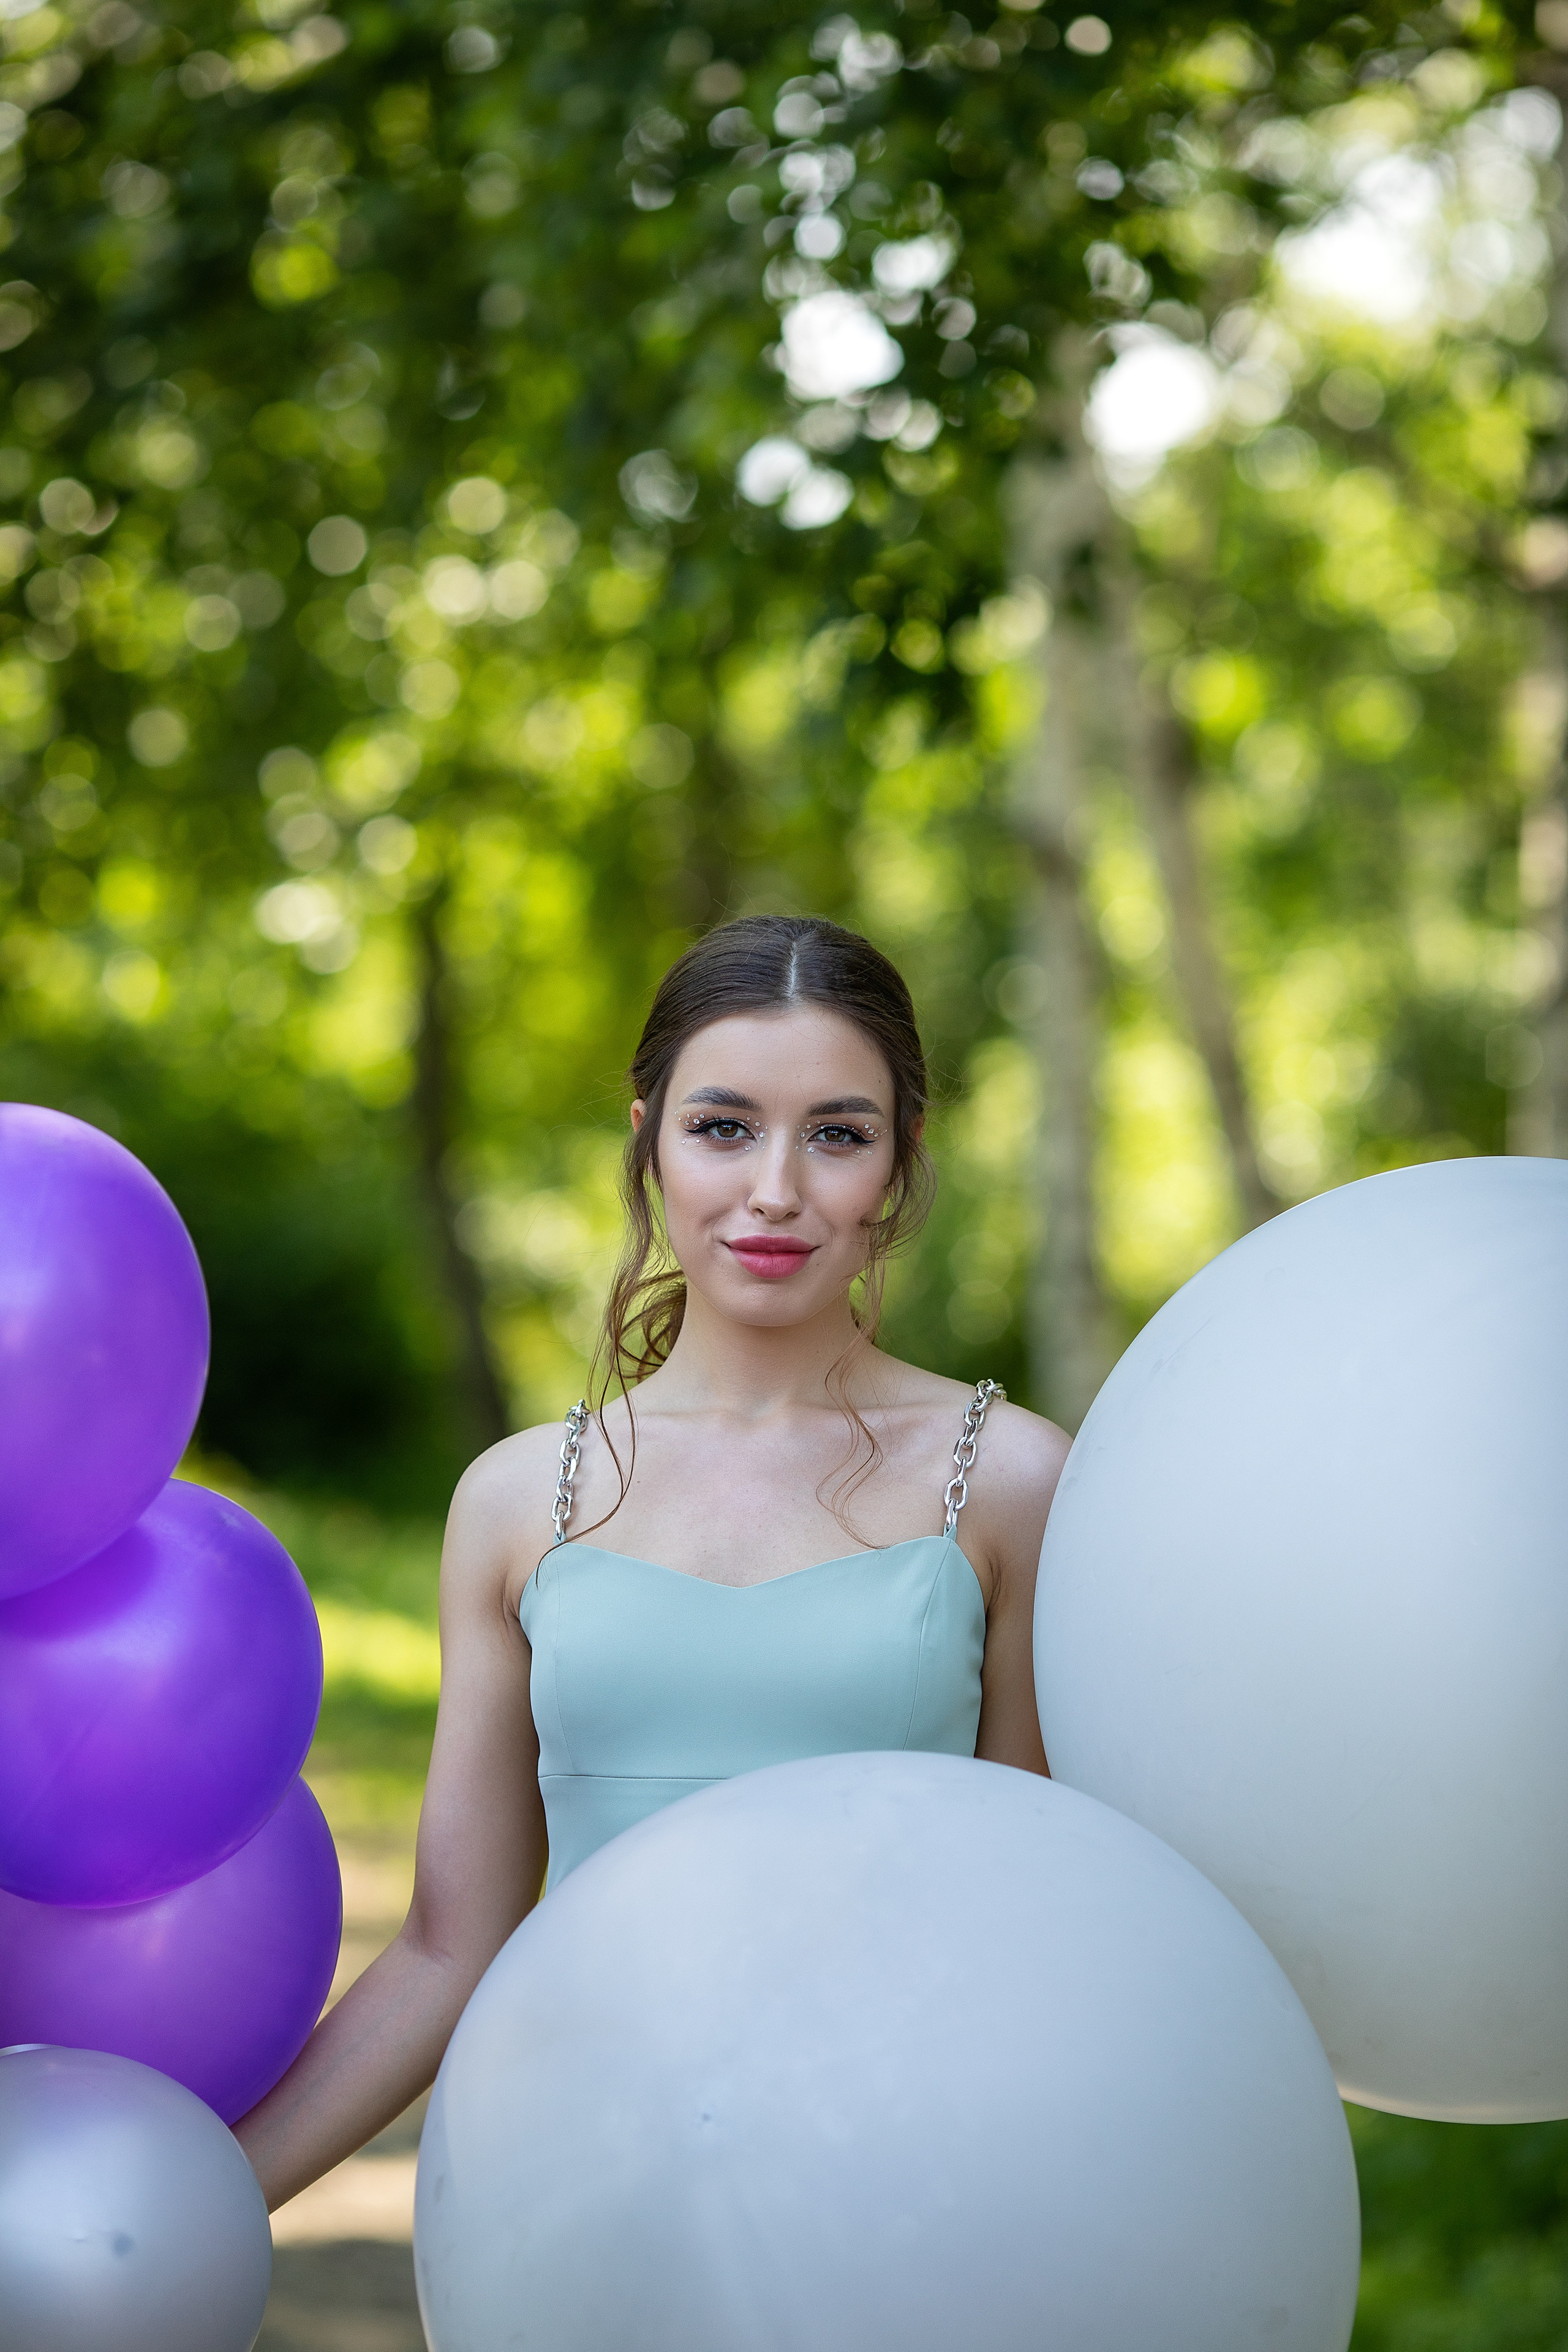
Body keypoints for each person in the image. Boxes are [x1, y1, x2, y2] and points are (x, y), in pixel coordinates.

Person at [235, 914, 1071, 2209]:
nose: (775, 1188)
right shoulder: (519, 1500)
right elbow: (453, 1944)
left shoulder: (1011, 1477)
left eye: (837, 1134)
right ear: (647, 1141)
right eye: (723, 1126)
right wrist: (206, 2198)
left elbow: (1041, 1917)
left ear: (900, 1163)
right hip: (585, 2178)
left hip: (903, 2183)